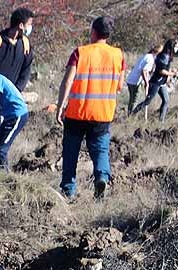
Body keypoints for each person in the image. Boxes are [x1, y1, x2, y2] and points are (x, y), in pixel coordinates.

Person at [53, 16, 125, 200]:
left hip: (77, 112)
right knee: (100, 150)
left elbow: (67, 81)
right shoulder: (118, 55)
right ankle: (101, 176)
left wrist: (60, 106)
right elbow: (119, 85)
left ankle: (68, 190)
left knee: (70, 151)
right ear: (108, 34)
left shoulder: (80, 52)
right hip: (102, 114)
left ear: (93, 31)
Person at [0, 8, 34, 92]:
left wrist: (16, 91)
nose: (30, 27)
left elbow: (26, 71)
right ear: (21, 25)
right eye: (29, 24)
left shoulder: (26, 45)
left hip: (11, 95)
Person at [131, 39, 178, 121]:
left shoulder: (167, 56)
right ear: (172, 46)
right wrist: (173, 74)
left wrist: (172, 71)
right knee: (147, 101)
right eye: (176, 46)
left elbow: (165, 69)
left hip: (162, 83)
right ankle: (132, 114)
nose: (177, 48)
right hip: (156, 82)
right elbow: (162, 71)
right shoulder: (164, 56)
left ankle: (161, 121)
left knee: (166, 100)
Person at [126, 45, 159, 113]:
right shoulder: (150, 59)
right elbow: (143, 71)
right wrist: (146, 82)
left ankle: (129, 114)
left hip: (130, 79)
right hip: (135, 81)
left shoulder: (146, 56)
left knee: (132, 100)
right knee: (135, 100)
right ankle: (131, 115)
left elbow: (146, 71)